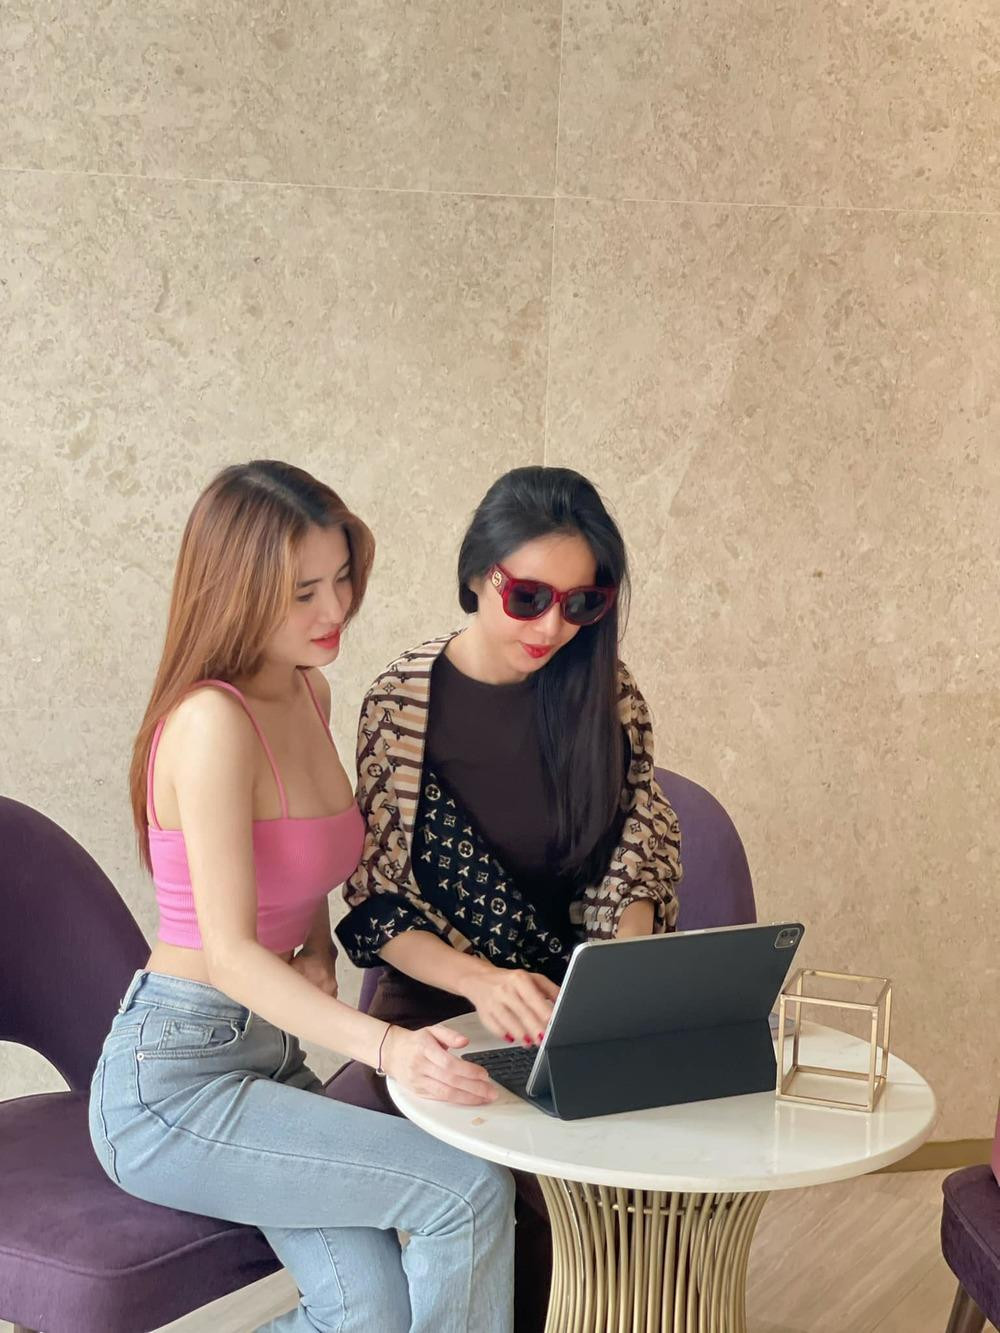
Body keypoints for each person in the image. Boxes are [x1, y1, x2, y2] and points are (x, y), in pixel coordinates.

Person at [88, 460, 515, 1333]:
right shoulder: (211, 722)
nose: (335, 610)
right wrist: (387, 1046)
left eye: (342, 578)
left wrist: (318, 947)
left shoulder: (308, 687)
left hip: (266, 1056)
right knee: (465, 1187)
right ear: (237, 593)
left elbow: (296, 856)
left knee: (369, 1312)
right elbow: (228, 953)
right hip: (173, 1079)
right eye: (303, 592)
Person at [329, 465, 683, 1330]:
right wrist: (483, 979)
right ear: (476, 573)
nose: (553, 626)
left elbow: (638, 849)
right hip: (439, 1001)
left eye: (583, 603)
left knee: (662, 1158)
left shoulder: (607, 692)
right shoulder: (403, 703)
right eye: (527, 597)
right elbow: (376, 902)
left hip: (572, 996)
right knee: (535, 1181)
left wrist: (619, 975)